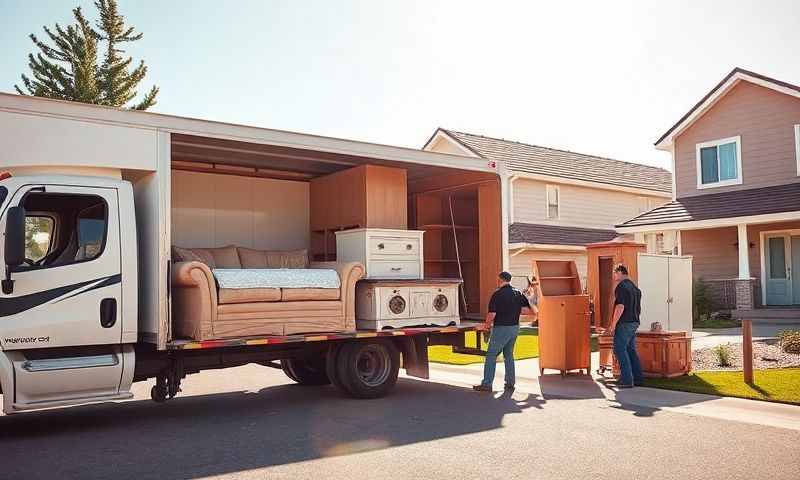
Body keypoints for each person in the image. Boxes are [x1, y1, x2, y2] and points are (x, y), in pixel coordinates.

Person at [473, 271, 537, 392]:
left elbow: (492, 313)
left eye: (498, 279)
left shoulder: (497, 294)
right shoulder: (517, 293)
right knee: (508, 355)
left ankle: (487, 384)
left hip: (501, 328)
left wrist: (486, 325)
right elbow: (529, 311)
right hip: (514, 328)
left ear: (500, 280)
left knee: (491, 355)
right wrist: (516, 311)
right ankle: (510, 383)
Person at [608, 264, 644, 388]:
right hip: (634, 322)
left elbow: (620, 306)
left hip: (624, 323)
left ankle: (627, 380)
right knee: (630, 350)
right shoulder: (635, 288)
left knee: (619, 349)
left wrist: (613, 324)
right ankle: (638, 378)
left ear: (620, 272)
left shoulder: (621, 287)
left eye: (615, 273)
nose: (614, 276)